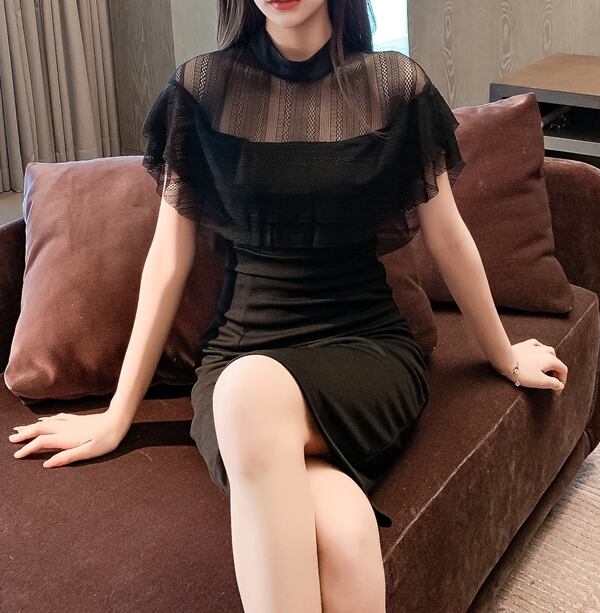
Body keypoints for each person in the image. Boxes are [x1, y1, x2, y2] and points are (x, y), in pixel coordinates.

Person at [9, 1, 569, 611]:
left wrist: (504, 355)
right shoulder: (201, 89)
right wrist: (119, 415)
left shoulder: (393, 86)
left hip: (364, 352)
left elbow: (448, 237)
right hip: (240, 353)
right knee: (346, 535)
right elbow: (167, 260)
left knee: (249, 396)